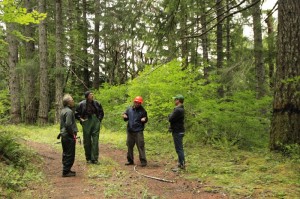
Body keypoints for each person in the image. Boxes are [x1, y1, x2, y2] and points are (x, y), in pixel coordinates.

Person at [75, 91, 104, 164]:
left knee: (95, 140)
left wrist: (98, 120)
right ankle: (88, 158)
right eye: (91, 94)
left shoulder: (97, 103)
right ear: (87, 96)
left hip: (95, 121)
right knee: (87, 140)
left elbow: (101, 112)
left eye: (92, 94)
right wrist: (81, 119)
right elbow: (76, 113)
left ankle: (95, 159)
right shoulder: (81, 104)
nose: (92, 95)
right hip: (86, 121)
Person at [122, 96, 148, 167]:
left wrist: (144, 119)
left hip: (138, 131)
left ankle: (143, 161)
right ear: (134, 102)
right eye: (136, 102)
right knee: (129, 146)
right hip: (130, 131)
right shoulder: (129, 109)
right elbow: (125, 116)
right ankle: (130, 160)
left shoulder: (143, 111)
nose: (137, 104)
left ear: (140, 103)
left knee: (141, 146)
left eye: (139, 103)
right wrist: (124, 115)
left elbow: (146, 119)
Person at [59, 94, 78, 177]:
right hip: (68, 135)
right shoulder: (69, 112)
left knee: (66, 152)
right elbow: (68, 124)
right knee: (70, 153)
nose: (73, 101)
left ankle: (66, 169)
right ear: (68, 102)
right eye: (72, 100)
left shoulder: (63, 110)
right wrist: (72, 134)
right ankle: (66, 171)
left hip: (64, 135)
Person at [168, 94, 185, 171]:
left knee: (179, 148)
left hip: (178, 131)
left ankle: (182, 164)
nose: (174, 101)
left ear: (178, 100)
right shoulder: (180, 109)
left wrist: (170, 115)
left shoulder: (178, 110)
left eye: (175, 99)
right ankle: (180, 163)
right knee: (179, 148)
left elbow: (170, 118)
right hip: (179, 130)